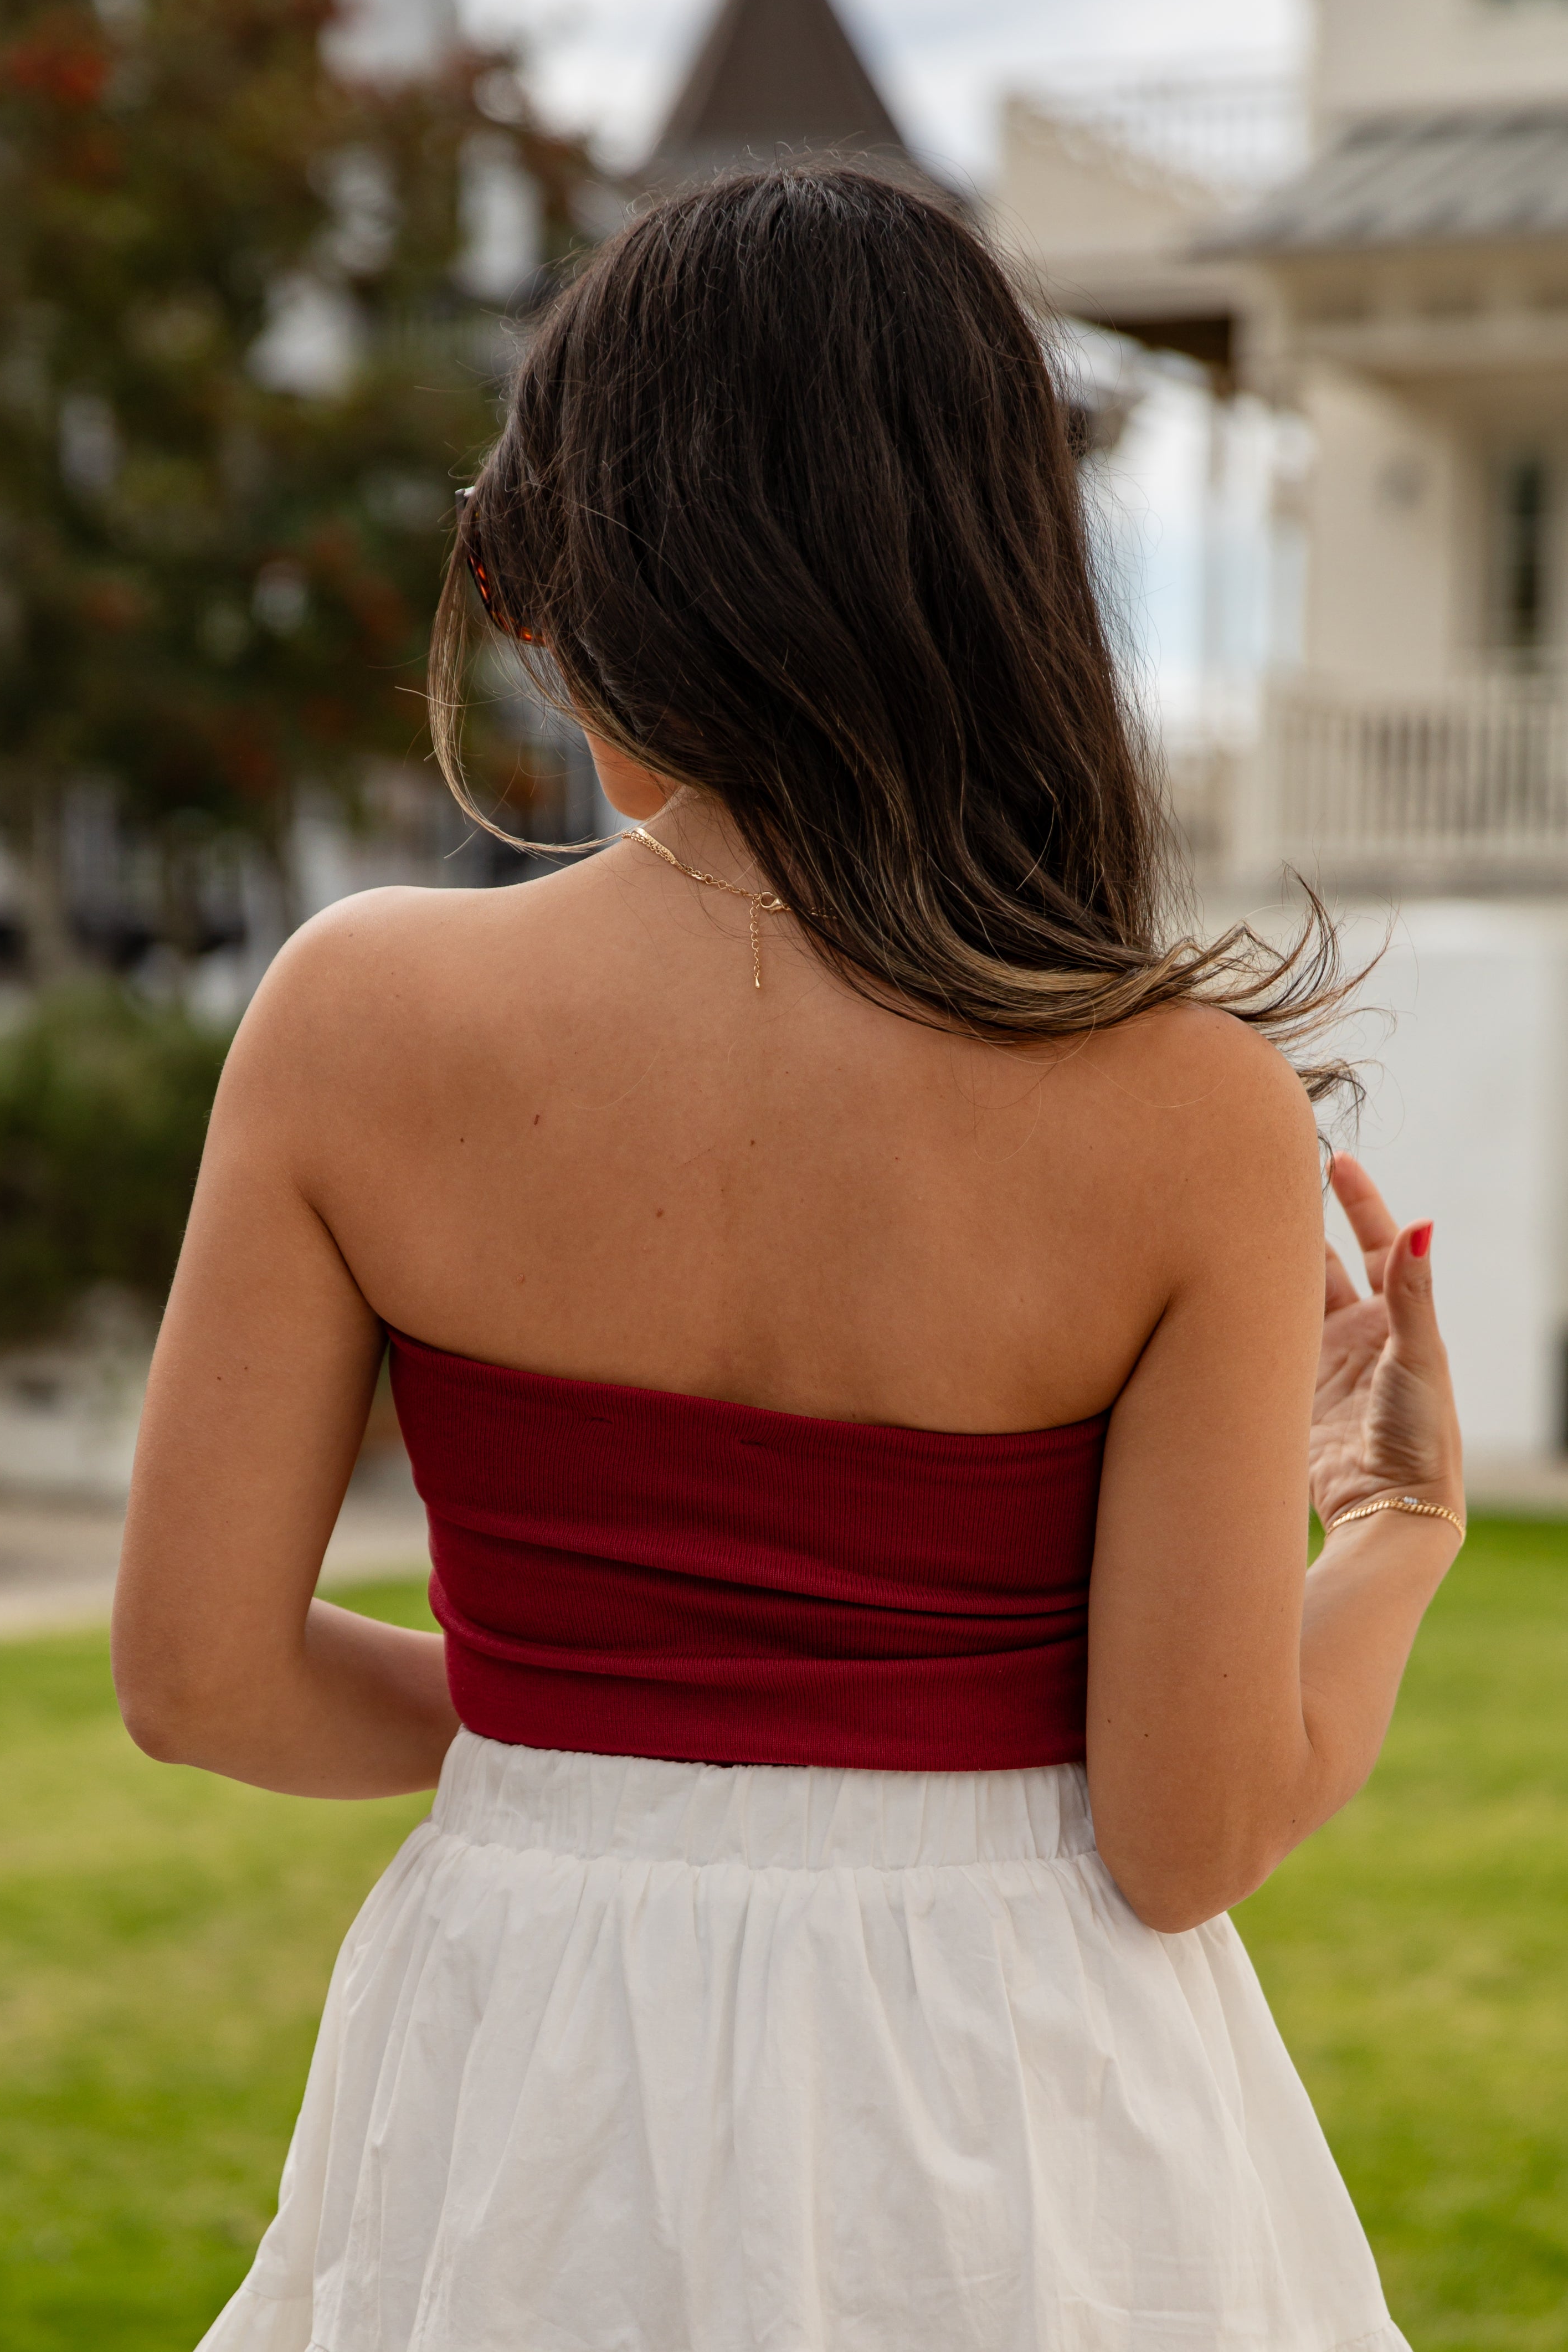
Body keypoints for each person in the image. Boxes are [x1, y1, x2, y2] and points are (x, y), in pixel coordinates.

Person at [114, 166, 1464, 2352]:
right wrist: (1390, 1531)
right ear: (1003, 573)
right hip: (1017, 2103)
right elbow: (1182, 1827)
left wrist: (623, 1731)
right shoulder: (1181, 1104)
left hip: (532, 2055)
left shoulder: (356, 1018)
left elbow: (198, 1677)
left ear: (570, 584)